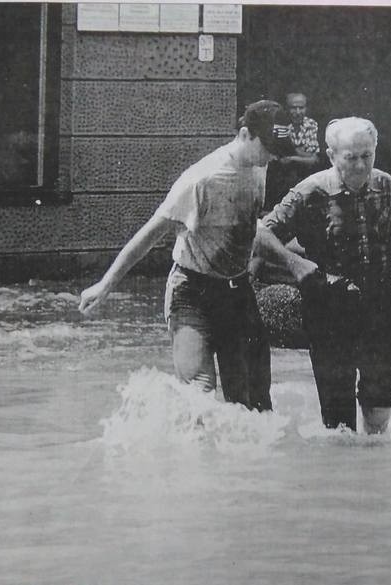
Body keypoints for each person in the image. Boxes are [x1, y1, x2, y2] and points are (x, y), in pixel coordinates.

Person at [78, 100, 296, 413]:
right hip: (191, 293)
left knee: (253, 404)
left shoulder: (258, 165)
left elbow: (249, 225)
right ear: (246, 134)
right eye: (269, 147)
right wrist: (106, 285)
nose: (273, 156)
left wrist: (292, 262)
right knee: (199, 394)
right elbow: (151, 234)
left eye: (279, 149)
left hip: (236, 292)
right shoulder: (201, 179)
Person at [256, 117, 391, 433]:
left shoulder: (383, 183)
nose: (361, 165)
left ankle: (374, 468)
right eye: (351, 157)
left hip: (380, 302)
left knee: (380, 394)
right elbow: (261, 235)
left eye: (367, 155)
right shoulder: (309, 192)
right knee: (338, 413)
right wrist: (296, 266)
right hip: (330, 305)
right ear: (331, 154)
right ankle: (342, 471)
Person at [264, 92, 321, 212]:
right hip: (281, 177)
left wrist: (292, 155)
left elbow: (313, 159)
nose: (298, 112)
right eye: (293, 108)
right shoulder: (280, 126)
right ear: (287, 109)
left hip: (304, 175)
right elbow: (275, 154)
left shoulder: (311, 125)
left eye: (301, 108)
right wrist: (301, 152)